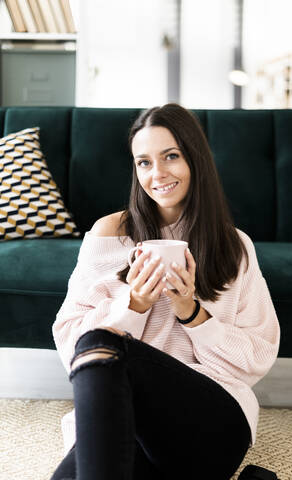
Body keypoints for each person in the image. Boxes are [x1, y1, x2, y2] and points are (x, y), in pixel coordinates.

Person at [50, 103, 280, 480]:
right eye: (144, 162)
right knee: (98, 347)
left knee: (106, 345)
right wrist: (134, 306)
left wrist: (192, 312)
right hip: (124, 420)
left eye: (170, 156)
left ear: (195, 159)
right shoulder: (108, 235)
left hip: (211, 420)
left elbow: (255, 356)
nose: (157, 174)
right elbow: (73, 346)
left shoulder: (233, 245)